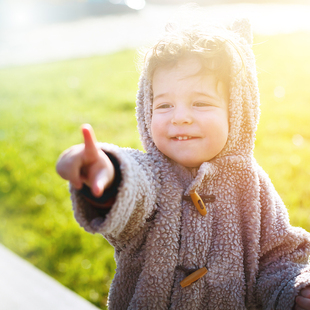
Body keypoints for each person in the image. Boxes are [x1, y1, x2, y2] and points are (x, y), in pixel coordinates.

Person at [56, 16, 310, 309]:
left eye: (200, 103)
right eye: (164, 105)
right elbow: (133, 191)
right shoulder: (151, 175)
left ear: (237, 112)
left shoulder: (251, 185)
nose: (179, 117)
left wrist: (292, 290)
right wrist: (110, 174)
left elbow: (277, 257)